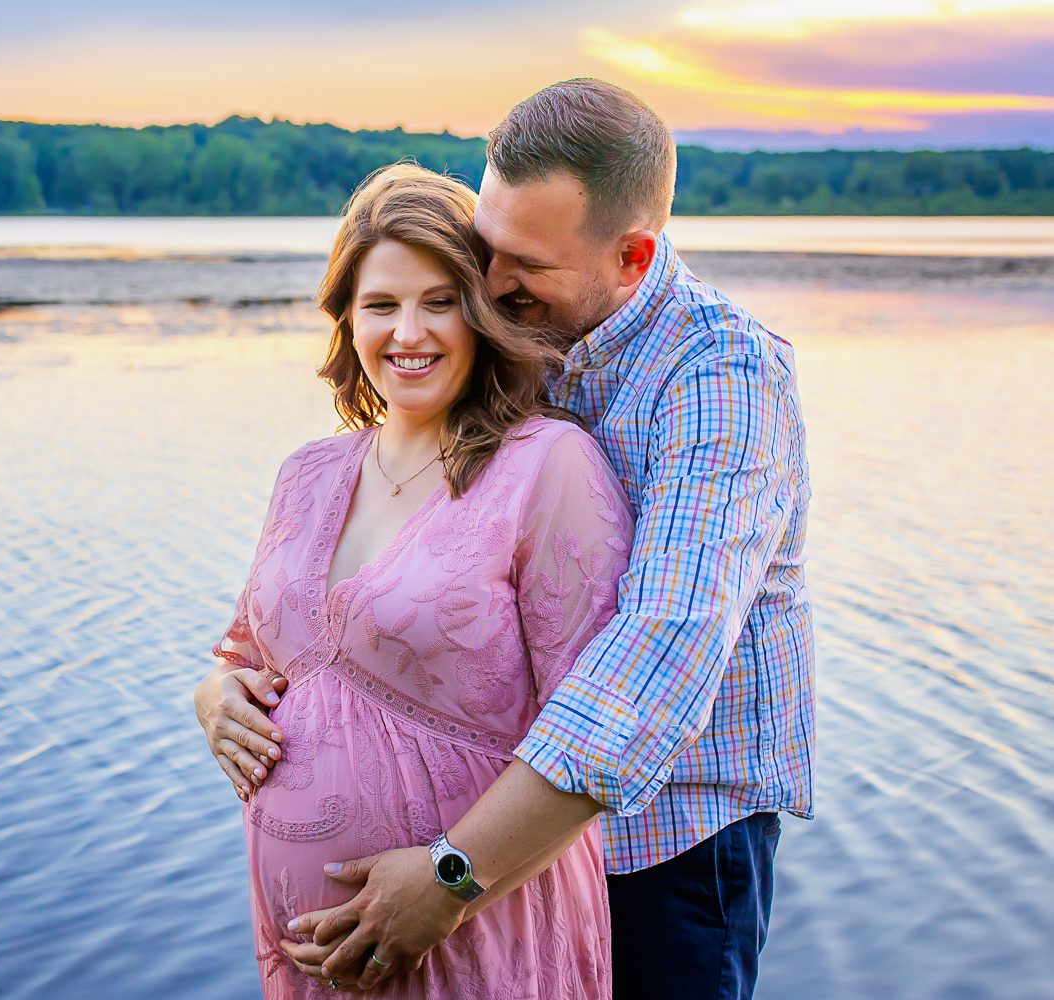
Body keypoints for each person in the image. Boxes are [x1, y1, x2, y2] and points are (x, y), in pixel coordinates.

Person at [196, 79, 814, 1000]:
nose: (488, 284)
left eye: (518, 262)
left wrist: (452, 876)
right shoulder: (530, 335)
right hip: (484, 861)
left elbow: (660, 651)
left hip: (669, 853)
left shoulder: (720, 375)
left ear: (632, 256)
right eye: (484, 247)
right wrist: (221, 688)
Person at [195, 162, 636, 998]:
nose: (410, 332)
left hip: (477, 929)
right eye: (381, 304)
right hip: (307, 957)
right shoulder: (308, 474)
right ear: (347, 319)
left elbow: (596, 739)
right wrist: (213, 696)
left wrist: (450, 885)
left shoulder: (547, 468)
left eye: (440, 301)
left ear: (483, 313)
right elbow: (252, 651)